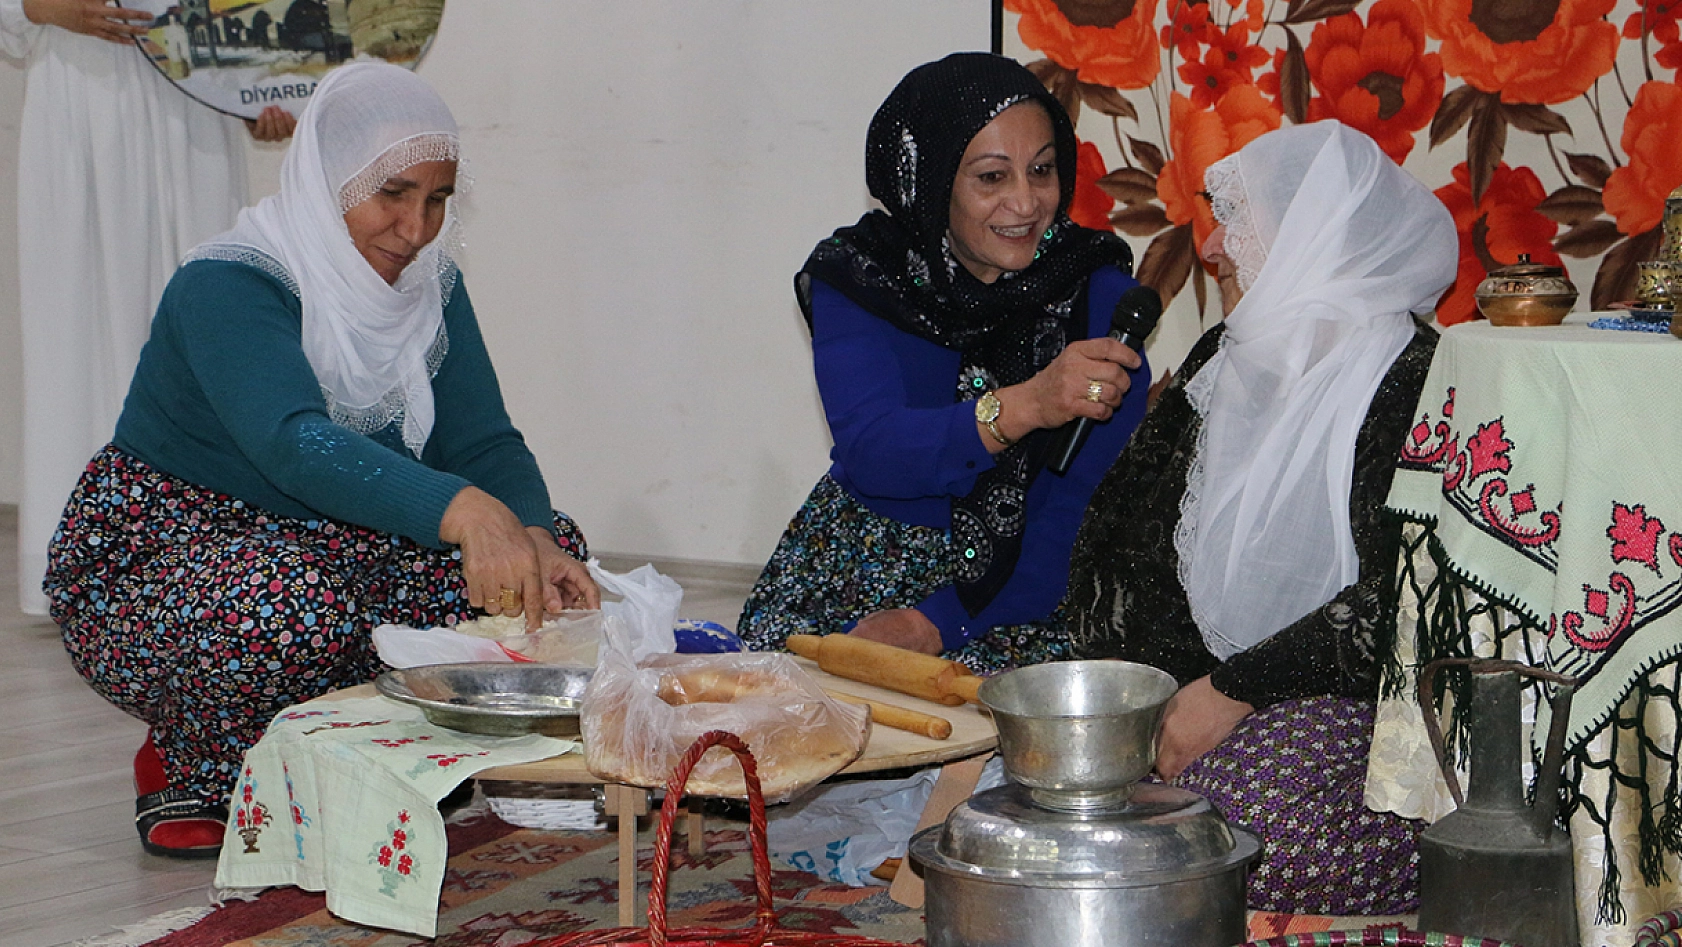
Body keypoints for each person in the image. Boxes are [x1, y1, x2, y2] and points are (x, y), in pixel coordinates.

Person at [44, 61, 598, 860]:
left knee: (545, 565)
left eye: (437, 199)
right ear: (328, 181)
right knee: (282, 596)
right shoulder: (226, 283)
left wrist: (533, 532)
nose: (416, 227)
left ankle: (379, 747)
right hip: (172, 557)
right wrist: (468, 511)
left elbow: (484, 443)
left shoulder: (430, 287)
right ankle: (193, 749)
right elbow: (292, 444)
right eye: (393, 193)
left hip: (339, 539)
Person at [1062, 121, 1457, 914]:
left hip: (1354, 706)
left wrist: (1233, 690)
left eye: (1239, 221)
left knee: (1240, 832)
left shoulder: (1415, 377)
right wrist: (1137, 705)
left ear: (1320, 235)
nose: (1214, 247)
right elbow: (1133, 540)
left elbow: (1403, 602)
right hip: (1202, 693)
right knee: (1059, 772)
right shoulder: (1225, 355)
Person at [738, 52, 1148, 674]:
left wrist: (939, 621)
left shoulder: (1100, 296)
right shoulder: (863, 276)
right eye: (991, 178)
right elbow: (875, 453)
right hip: (859, 560)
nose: (1026, 202)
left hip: (1023, 591)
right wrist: (1025, 406)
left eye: (1042, 171)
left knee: (986, 748)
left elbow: (1080, 512)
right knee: (776, 729)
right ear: (930, 184)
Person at [3, 0, 295, 616]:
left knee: (204, 330)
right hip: (81, 101)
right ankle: (78, 575)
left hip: (192, 114)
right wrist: (37, 6)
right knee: (75, 335)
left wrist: (259, 94)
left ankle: (208, 570)